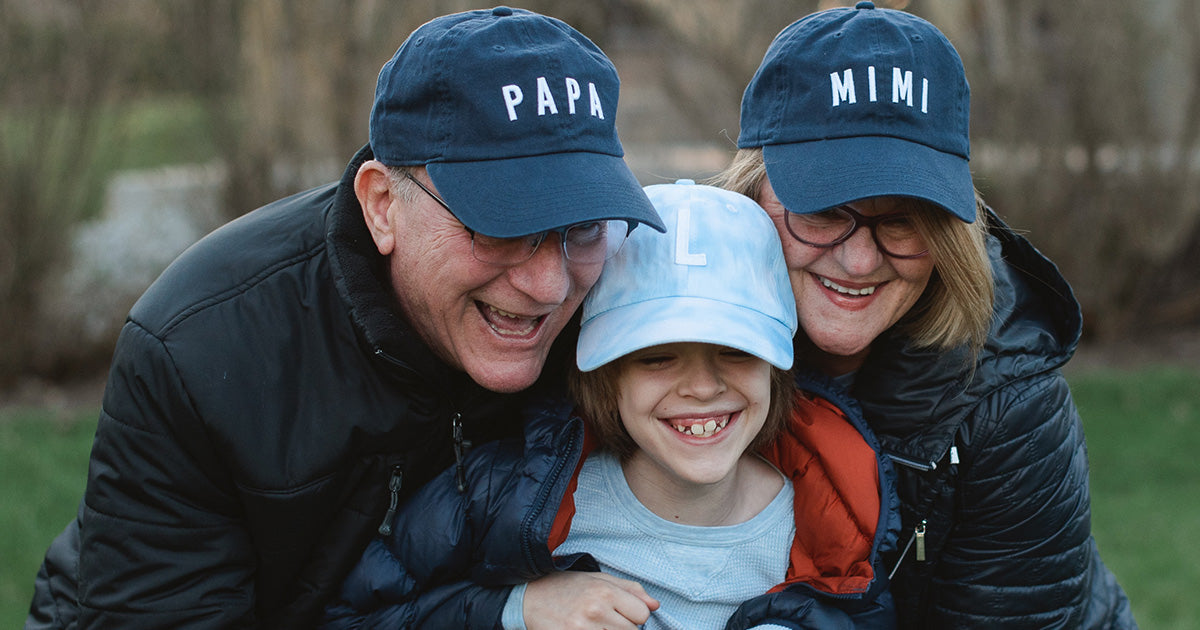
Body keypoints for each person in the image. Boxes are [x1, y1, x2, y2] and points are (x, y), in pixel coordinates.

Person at [24, 7, 666, 629]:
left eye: (583, 227)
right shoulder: (200, 352)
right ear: (382, 204)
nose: (550, 285)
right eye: (500, 227)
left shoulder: (623, 314)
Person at [712, 3, 1137, 628]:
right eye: (822, 211)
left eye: (903, 220)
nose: (859, 261)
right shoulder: (656, 335)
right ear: (750, 192)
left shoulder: (1007, 408)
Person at [320, 180, 901, 629]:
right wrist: (517, 610)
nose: (702, 387)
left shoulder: (838, 527)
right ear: (605, 375)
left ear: (778, 366)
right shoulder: (505, 497)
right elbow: (351, 617)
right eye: (656, 358)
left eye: (735, 352)